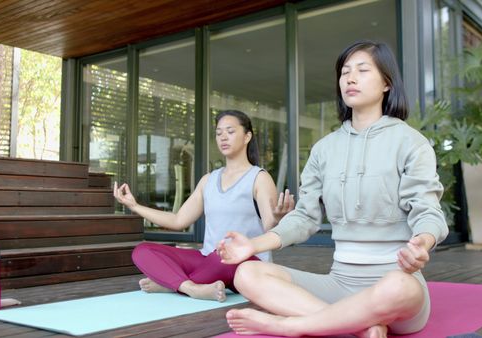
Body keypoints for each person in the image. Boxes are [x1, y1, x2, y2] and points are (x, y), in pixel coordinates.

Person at [217, 40, 448, 337]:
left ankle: (290, 326)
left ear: (387, 83)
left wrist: (423, 243)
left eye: (362, 70)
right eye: (345, 72)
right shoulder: (324, 149)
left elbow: (428, 209)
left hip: (393, 283)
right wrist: (253, 245)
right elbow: (305, 217)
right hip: (338, 284)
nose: (350, 78)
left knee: (400, 286)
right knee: (247, 273)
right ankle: (360, 327)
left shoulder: (411, 142)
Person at [114, 110, 294, 302]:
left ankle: (174, 284)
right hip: (208, 259)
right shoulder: (208, 180)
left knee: (223, 253)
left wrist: (279, 219)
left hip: (245, 264)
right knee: (143, 251)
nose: (223, 137)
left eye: (230, 131)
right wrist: (135, 206)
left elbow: (269, 228)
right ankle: (191, 287)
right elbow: (178, 220)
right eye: (218, 133)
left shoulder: (259, 178)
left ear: (247, 136)